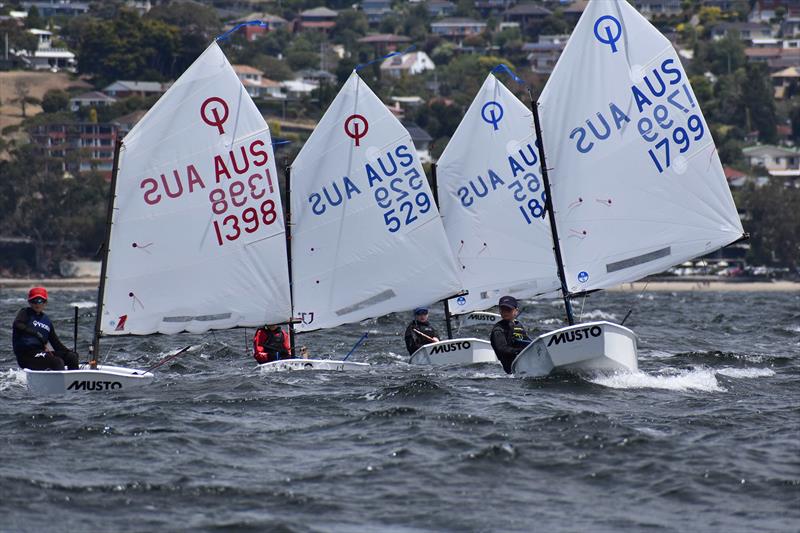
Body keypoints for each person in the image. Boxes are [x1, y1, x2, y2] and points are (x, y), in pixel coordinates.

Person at [12, 287, 79, 371]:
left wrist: (68, 351)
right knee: (57, 362)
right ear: (29, 302)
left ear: (45, 302)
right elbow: (17, 324)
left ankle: (74, 381)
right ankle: (60, 382)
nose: (37, 304)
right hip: (26, 356)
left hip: (41, 353)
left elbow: (55, 343)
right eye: (34, 301)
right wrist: (35, 333)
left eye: (40, 301)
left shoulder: (46, 320)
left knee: (72, 357)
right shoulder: (25, 313)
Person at [489, 295, 532, 374]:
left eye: (508, 309)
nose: (505, 312)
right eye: (502, 309)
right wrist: (520, 351)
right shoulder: (498, 330)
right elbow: (502, 348)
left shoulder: (518, 325)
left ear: (516, 311)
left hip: (526, 362)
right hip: (512, 370)